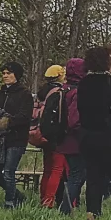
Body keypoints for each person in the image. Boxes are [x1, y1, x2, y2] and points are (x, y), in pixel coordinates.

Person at [76, 45, 111, 219]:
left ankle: (93, 212)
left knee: (94, 178)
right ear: (104, 62)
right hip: (110, 139)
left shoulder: (83, 84)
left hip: (89, 138)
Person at [0, 61, 34, 209]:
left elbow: (25, 117)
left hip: (16, 138)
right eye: (3, 73)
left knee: (9, 172)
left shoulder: (25, 94)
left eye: (9, 73)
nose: (5, 76)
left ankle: (10, 202)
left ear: (17, 75)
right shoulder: (0, 93)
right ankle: (18, 195)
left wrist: (7, 122)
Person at [54, 58, 85, 213]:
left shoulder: (63, 90)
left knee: (73, 174)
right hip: (75, 141)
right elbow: (75, 120)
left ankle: (65, 206)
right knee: (77, 176)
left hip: (63, 139)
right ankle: (65, 209)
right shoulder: (77, 93)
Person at [36, 64, 68, 207]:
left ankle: (43, 198)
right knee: (57, 169)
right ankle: (49, 201)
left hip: (43, 135)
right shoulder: (59, 93)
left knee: (47, 169)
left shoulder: (42, 92)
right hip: (56, 137)